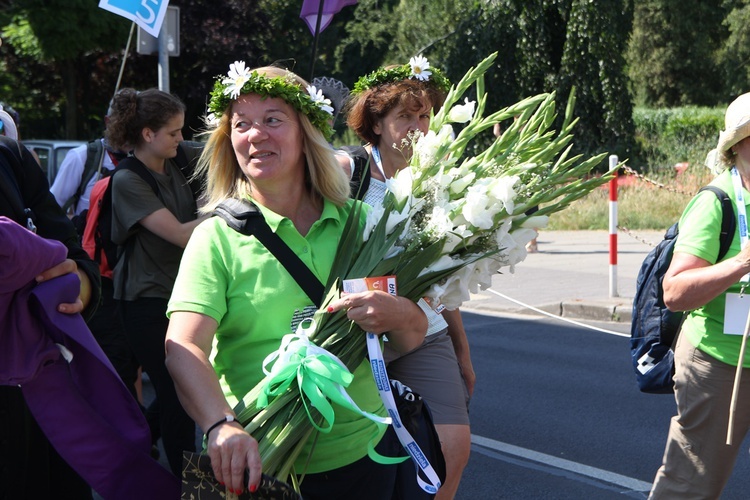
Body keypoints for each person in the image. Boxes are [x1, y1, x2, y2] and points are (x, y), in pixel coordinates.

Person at [164, 63, 428, 498]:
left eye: (272, 120)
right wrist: (220, 425)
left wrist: (398, 313)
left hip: (365, 455)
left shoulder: (360, 223)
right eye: (242, 124)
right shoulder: (215, 238)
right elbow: (183, 347)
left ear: (306, 132)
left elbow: (409, 338)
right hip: (263, 462)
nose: (255, 134)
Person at [343, 56, 474, 500]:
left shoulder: (438, 179)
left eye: (424, 115)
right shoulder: (349, 172)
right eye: (405, 116)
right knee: (366, 459)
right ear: (376, 123)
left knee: (452, 448)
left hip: (423, 328)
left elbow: (443, 274)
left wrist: (461, 348)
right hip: (354, 333)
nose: (418, 125)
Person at [650, 91, 750, 498]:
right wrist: (742, 263)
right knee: (691, 487)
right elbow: (673, 292)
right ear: (740, 144)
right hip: (721, 363)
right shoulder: (717, 201)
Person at [106, 87, 206, 476]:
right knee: (179, 394)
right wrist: (226, 213)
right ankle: (187, 481)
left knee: (173, 391)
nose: (182, 138)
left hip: (181, 297)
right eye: (174, 132)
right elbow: (181, 234)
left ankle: (128, 450)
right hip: (145, 302)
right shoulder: (128, 180)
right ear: (148, 134)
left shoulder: (179, 158)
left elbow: (223, 149)